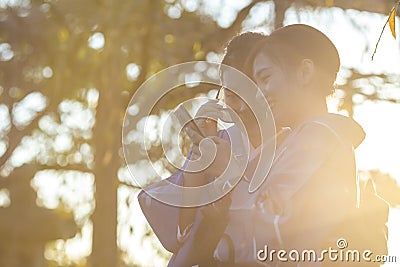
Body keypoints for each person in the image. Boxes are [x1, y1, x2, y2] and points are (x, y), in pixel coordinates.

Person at [138, 31, 272, 267]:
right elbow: (183, 230)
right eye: (230, 95)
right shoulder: (219, 140)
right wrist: (200, 157)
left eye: (249, 93)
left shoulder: (289, 141)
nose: (240, 107)